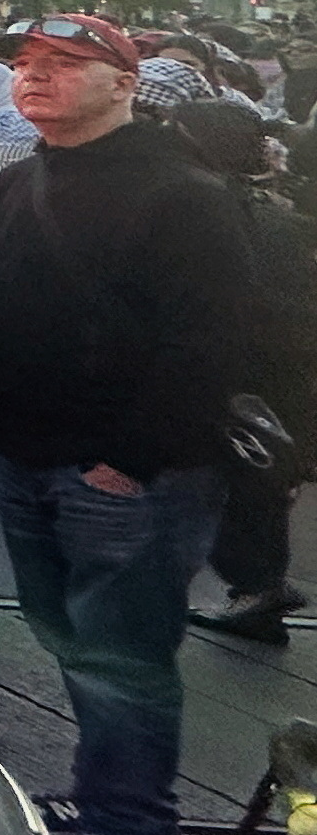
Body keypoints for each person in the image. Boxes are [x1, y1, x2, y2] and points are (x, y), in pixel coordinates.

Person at [0, 14, 249, 835]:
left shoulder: (181, 192)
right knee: (68, 640)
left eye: (64, 64)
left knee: (122, 651)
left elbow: (207, 342)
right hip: (20, 453)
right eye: (26, 64)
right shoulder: (18, 179)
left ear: (124, 81)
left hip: (120, 472)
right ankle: (98, 795)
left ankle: (133, 827)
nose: (34, 77)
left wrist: (129, 456)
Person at [168, 100, 312, 645]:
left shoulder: (223, 209)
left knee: (240, 482)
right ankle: (258, 584)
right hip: (262, 371)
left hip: (243, 373)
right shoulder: (263, 208)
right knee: (254, 482)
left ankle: (258, 586)